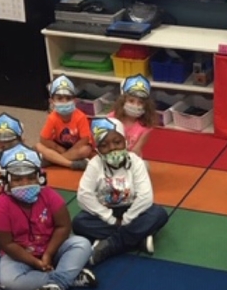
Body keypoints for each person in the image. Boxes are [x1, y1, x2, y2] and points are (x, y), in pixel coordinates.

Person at [0, 146, 96, 290]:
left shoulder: (50, 195)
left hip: (52, 248)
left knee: (82, 244)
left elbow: (63, 226)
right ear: (6, 181)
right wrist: (34, 262)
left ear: (40, 177)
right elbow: (7, 244)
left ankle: (57, 284)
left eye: (31, 177)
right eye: (17, 179)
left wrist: (48, 254)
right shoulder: (0, 206)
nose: (25, 184)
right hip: (19, 254)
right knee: (10, 283)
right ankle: (68, 277)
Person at [71, 116, 169, 265]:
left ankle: (110, 246)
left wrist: (127, 219)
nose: (112, 148)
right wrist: (111, 219)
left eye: (117, 142)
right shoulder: (94, 164)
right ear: (98, 150)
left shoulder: (136, 162)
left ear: (125, 141)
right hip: (106, 212)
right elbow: (84, 196)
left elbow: (145, 196)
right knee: (79, 223)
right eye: (104, 145)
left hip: (133, 210)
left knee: (159, 214)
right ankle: (138, 238)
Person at [38, 74, 95, 170]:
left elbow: (85, 140)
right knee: (38, 146)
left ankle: (53, 161)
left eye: (68, 98)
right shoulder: (52, 117)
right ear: (52, 101)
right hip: (59, 147)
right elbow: (43, 139)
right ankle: (70, 164)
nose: (64, 102)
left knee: (86, 150)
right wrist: (58, 148)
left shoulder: (81, 117)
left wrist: (68, 152)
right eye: (59, 98)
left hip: (76, 147)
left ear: (75, 100)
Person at [111, 74, 159, 155]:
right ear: (122, 101)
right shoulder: (112, 118)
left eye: (140, 102)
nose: (135, 105)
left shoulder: (145, 126)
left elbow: (136, 150)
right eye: (131, 101)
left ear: (146, 106)